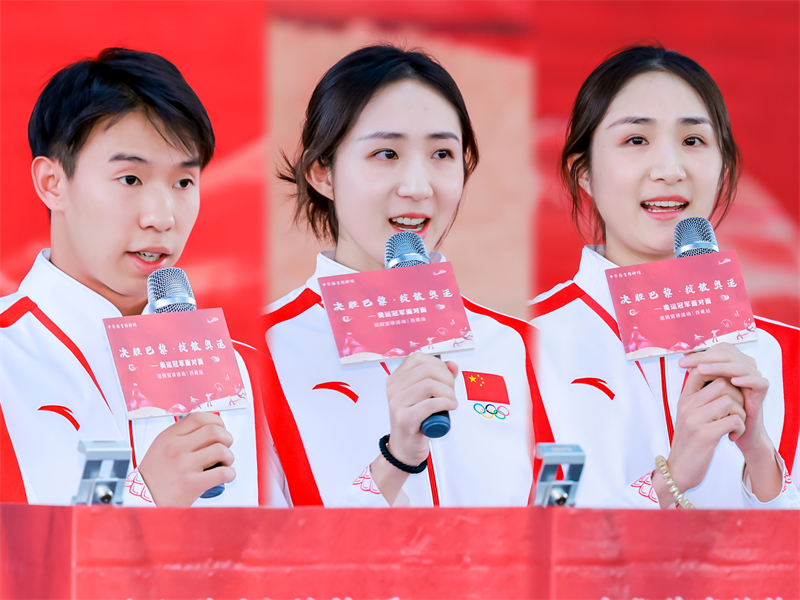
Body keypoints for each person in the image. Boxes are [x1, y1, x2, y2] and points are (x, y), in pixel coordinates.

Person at [0, 48, 286, 507]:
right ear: (53, 183)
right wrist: (145, 498)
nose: (162, 217)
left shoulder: (247, 372)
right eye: (130, 179)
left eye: (183, 183)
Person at [263, 45, 541, 507]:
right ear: (322, 173)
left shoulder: (516, 347)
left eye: (442, 154)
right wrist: (394, 462)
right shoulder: (263, 355)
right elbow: (255, 548)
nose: (417, 187)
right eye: (386, 153)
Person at [530, 45, 799, 508]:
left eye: (693, 141)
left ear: (724, 169)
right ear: (584, 173)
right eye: (636, 140)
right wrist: (671, 477)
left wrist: (760, 456)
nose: (670, 171)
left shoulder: (784, 354)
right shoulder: (527, 345)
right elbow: (539, 530)